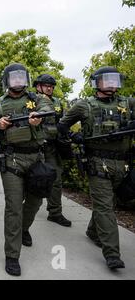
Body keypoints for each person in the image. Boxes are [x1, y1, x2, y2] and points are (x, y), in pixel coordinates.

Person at [57, 66, 135, 270]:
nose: (111, 84)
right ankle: (112, 253)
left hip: (125, 163)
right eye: (106, 80)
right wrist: (75, 137)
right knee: (104, 207)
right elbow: (62, 125)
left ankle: (93, 231)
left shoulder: (129, 103)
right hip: (98, 163)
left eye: (115, 80)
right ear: (96, 83)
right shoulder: (84, 105)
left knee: (109, 204)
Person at [0, 63, 54, 276]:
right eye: (14, 78)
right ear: (7, 80)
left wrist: (38, 116)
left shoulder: (36, 98)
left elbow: (49, 109)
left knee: (36, 200)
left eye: (22, 77)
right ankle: (12, 255)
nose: (18, 81)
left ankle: (23, 229)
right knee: (13, 206)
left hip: (36, 158)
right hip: (11, 159)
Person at [33, 74, 71, 227]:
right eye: (46, 85)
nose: (49, 88)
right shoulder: (32, 101)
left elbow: (62, 123)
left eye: (51, 86)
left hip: (53, 147)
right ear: (38, 86)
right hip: (35, 147)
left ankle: (55, 212)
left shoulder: (57, 102)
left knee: (56, 179)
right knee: (32, 179)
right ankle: (22, 209)